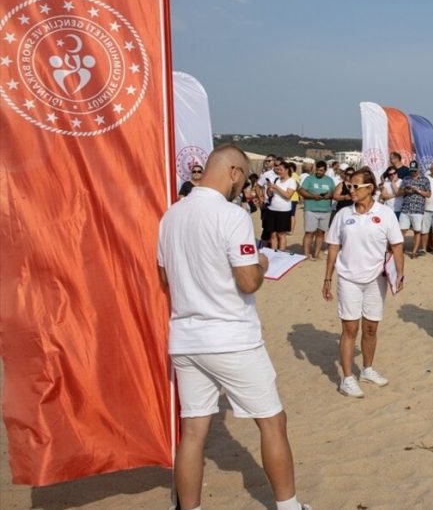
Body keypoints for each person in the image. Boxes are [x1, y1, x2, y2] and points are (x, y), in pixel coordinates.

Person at [157, 145, 309, 510]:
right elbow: (247, 281)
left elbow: (165, 279)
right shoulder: (232, 214)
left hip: (186, 336)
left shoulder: (171, 215)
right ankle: (288, 506)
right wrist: (259, 262)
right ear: (235, 173)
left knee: (193, 431)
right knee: (272, 421)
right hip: (230, 336)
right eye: (240, 182)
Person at [322, 168, 405, 398]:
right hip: (348, 278)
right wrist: (327, 278)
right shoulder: (342, 215)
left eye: (355, 186)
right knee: (350, 328)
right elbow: (333, 247)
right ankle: (347, 378)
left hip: (376, 279)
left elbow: (397, 245)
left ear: (370, 188)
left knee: (371, 327)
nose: (351, 190)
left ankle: (367, 369)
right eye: (349, 186)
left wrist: (400, 273)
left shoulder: (385, 214)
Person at [299, 161, 335, 260]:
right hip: (311, 209)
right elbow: (301, 191)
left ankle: (316, 254)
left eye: (321, 170)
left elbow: (334, 192)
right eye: (317, 170)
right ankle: (306, 255)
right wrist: (313, 196)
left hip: (325, 210)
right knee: (309, 232)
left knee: (321, 233)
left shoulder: (330, 180)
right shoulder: (309, 178)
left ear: (325, 170)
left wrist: (329, 195)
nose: (319, 172)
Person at [400, 161, 430, 258]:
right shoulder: (406, 178)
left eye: (415, 171)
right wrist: (406, 190)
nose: (413, 172)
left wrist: (418, 190)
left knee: (417, 231)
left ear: (419, 169)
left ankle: (414, 252)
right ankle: (400, 249)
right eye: (411, 171)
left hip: (418, 210)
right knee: (402, 231)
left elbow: (429, 194)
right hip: (405, 209)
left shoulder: (425, 180)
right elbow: (400, 192)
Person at [267, 160, 297, 251]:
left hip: (284, 211)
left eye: (280, 170)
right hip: (272, 209)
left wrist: (276, 187)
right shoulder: (276, 180)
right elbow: (270, 195)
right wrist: (269, 190)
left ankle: (281, 253)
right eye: (278, 170)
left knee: (281, 234)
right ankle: (273, 252)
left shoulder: (291, 181)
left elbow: (288, 195)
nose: (279, 172)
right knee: (272, 234)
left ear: (287, 170)